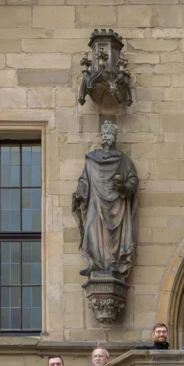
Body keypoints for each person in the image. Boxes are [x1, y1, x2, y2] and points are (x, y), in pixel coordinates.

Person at [72, 119, 139, 279]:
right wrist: (80, 193)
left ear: (114, 138)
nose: (107, 137)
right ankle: (96, 263)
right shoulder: (91, 159)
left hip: (117, 207)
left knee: (114, 239)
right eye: (105, 134)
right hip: (96, 203)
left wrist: (122, 187)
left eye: (110, 134)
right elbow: (84, 181)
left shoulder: (123, 160)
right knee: (93, 230)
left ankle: (113, 264)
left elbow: (133, 182)